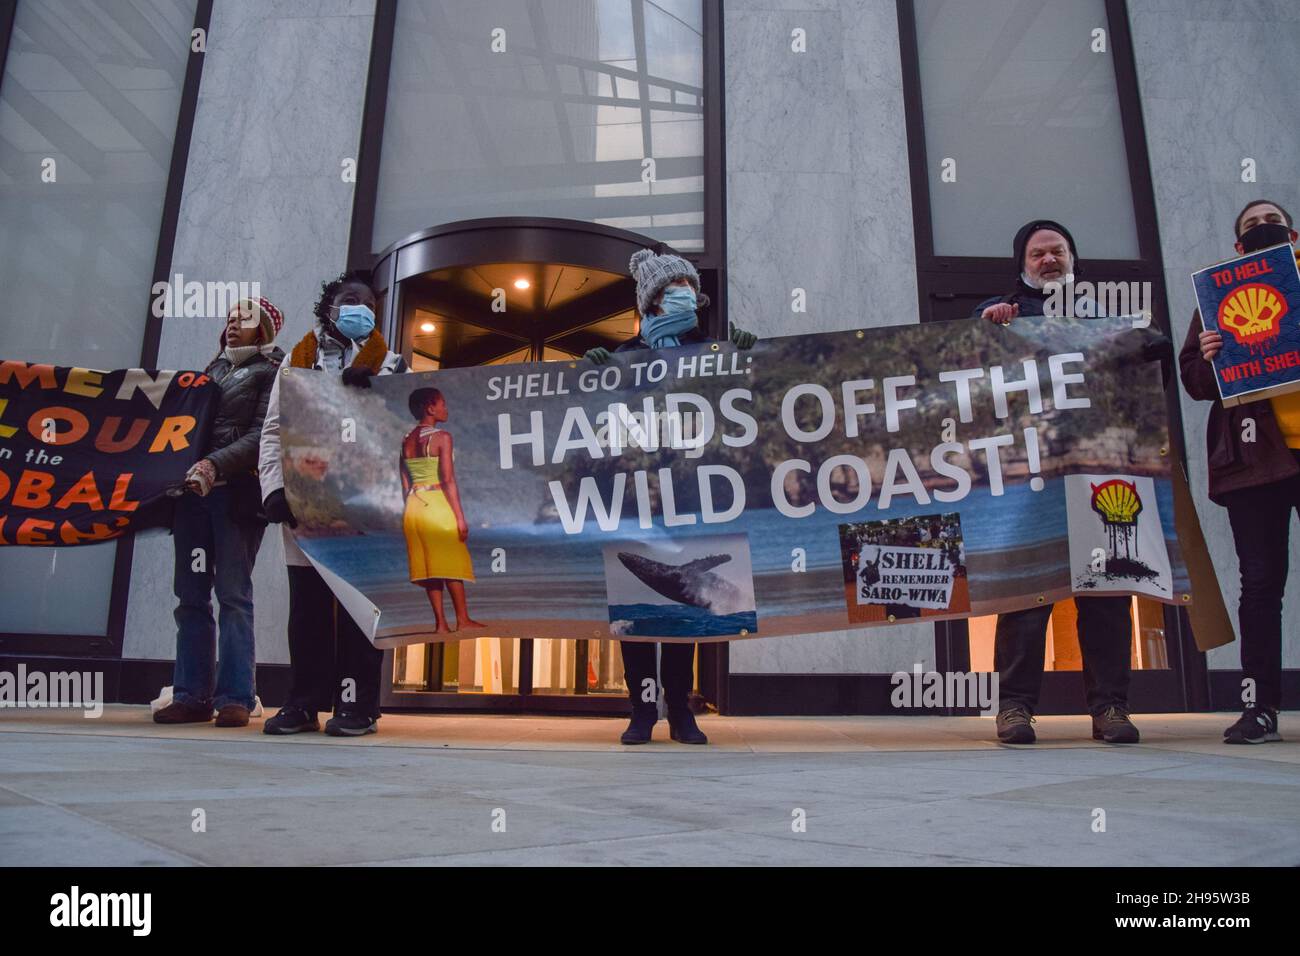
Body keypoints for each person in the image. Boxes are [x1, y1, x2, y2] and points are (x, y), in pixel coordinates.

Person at [976, 220, 1141, 745]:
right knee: (1027, 593)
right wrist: (984, 329)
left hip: (1099, 472)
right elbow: (962, 377)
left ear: (1074, 259)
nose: (1049, 259)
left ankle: (1110, 709)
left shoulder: (1106, 315)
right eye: (1038, 253)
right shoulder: (999, 315)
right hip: (1031, 481)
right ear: (1022, 264)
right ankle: (1016, 710)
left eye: (1058, 251)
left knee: (1108, 593)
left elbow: (1155, 360)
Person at [586, 247, 758, 745]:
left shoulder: (713, 354)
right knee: (635, 606)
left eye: (684, 287)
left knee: (688, 611)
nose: (678, 296)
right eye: (666, 290)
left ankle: (682, 709)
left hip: (692, 495)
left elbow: (742, 404)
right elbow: (594, 423)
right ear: (649, 303)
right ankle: (641, 709)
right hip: (635, 498)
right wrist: (590, 374)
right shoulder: (622, 360)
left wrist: (748, 357)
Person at [259, 269, 407, 737]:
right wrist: (273, 489)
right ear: (330, 307)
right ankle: (303, 703)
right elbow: (272, 429)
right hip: (307, 503)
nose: (360, 308)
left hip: (365, 506)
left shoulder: (394, 366)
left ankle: (358, 705)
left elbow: (404, 433)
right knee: (308, 610)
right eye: (350, 299)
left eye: (368, 303)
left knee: (362, 608)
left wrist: (375, 395)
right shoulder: (295, 364)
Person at [1180, 199, 1299, 744]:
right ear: (1237, 246)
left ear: (1292, 234)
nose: (1262, 229)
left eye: (1270, 222)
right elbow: (1196, 383)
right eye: (1251, 226)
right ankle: (1261, 708)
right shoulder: (1217, 300)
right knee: (1260, 586)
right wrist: (1205, 357)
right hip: (1254, 462)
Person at [154, 297, 284, 727]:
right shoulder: (209, 373)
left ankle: (235, 698)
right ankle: (191, 695)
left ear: (262, 329)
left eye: (243, 320)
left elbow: (261, 435)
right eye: (228, 318)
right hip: (192, 499)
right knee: (190, 597)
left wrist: (214, 464)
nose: (232, 325)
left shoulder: (273, 373)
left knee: (233, 595)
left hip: (235, 497)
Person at [402, 387, 484, 633]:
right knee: (452, 563)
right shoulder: (442, 437)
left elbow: (405, 482)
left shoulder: (406, 439)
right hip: (437, 503)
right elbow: (448, 480)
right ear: (430, 408)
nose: (446, 408)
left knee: (431, 568)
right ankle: (463, 619)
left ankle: (440, 624)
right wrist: (460, 517)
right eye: (442, 404)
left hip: (414, 506)